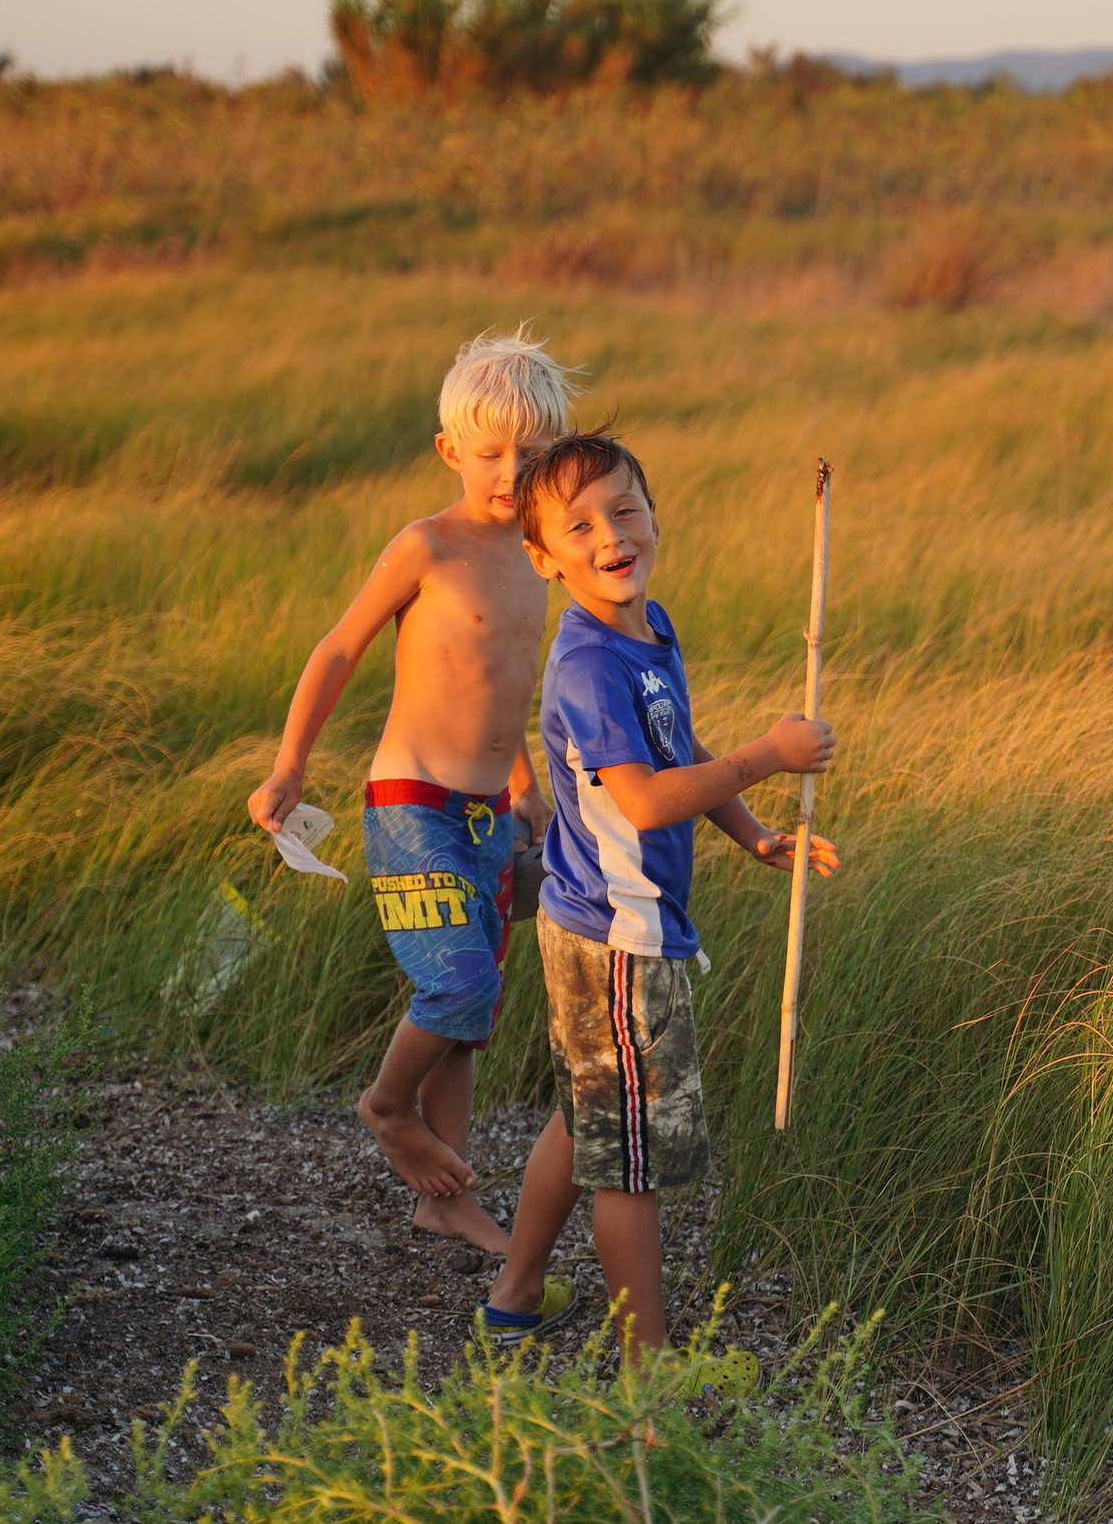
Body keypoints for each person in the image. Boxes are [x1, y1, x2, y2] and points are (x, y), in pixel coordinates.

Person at [480, 429, 838, 1363]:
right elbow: (641, 800)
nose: (611, 535)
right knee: (629, 1163)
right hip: (616, 938)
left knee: (591, 1109)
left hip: (604, 925)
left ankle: (518, 1290)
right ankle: (647, 1368)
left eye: (626, 509)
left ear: (654, 515)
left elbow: (678, 754)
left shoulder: (649, 630)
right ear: (543, 557)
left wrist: (754, 830)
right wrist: (768, 754)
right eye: (581, 524)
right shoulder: (591, 663)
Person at [247, 329, 580, 1256]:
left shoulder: (541, 555)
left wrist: (527, 785)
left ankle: (445, 1195)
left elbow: (505, 686)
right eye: (490, 455)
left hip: (484, 816)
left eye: (536, 453)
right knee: (458, 982)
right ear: (450, 453)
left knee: (472, 1010)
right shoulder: (426, 547)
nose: (514, 472)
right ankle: (389, 1108)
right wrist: (288, 766)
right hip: (412, 805)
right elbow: (339, 649)